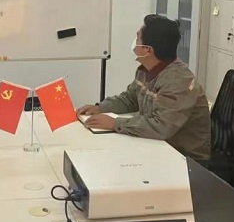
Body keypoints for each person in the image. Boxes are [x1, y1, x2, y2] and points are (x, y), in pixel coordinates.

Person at [77, 14, 211, 163]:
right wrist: (100, 108)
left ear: (147, 50)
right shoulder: (145, 70)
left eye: (138, 38)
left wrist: (115, 124)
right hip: (157, 147)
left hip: (185, 159)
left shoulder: (179, 81)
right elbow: (130, 99)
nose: (135, 42)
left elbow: (161, 127)